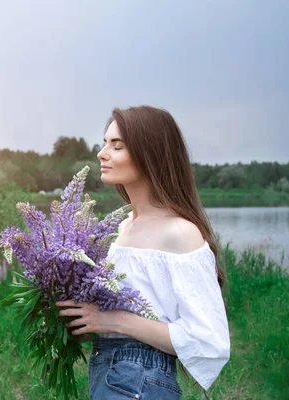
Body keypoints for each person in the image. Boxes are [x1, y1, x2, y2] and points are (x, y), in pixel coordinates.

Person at [56, 106, 230, 399]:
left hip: (140, 381)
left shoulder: (179, 232)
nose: (102, 153)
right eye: (104, 142)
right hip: (109, 373)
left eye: (117, 145)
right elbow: (120, 316)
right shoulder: (122, 228)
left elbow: (208, 341)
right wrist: (80, 320)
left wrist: (111, 321)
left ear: (150, 154)